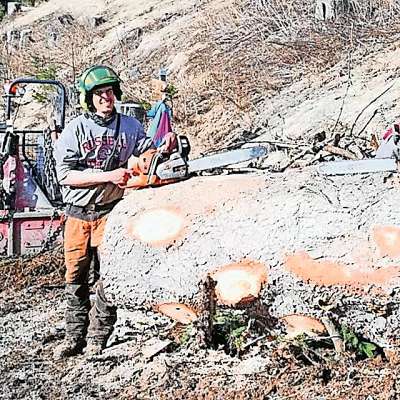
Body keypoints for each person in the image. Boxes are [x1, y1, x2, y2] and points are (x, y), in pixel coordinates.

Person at [53, 65, 176, 358]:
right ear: (89, 98)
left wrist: (163, 149)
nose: (105, 98)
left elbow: (149, 152)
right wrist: (108, 176)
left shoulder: (130, 126)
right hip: (78, 212)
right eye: (99, 94)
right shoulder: (76, 130)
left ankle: (98, 336)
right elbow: (65, 175)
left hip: (111, 211)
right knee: (76, 275)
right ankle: (74, 336)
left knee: (108, 275)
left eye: (109, 92)